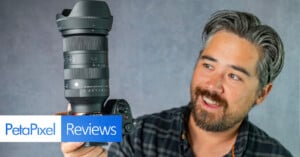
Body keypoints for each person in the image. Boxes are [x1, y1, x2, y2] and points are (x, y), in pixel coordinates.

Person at [61, 10, 293, 157]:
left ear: (262, 93)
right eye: (208, 65)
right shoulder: (139, 138)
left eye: (234, 76)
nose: (212, 85)